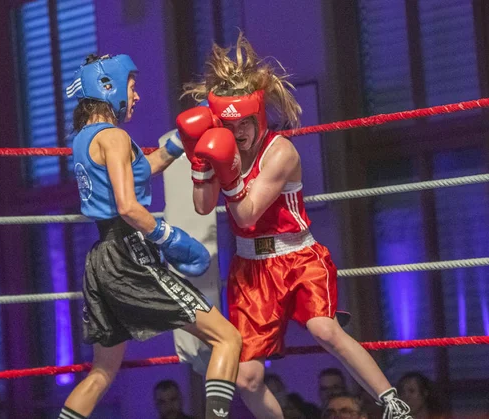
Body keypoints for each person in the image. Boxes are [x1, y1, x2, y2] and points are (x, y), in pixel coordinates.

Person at [175, 33, 412, 419]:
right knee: (247, 379)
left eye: (245, 125)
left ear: (258, 117)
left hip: (297, 258)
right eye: (230, 127)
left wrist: (229, 173)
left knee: (324, 329)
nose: (238, 135)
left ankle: (393, 404)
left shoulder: (281, 151)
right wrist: (201, 164)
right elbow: (204, 208)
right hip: (250, 272)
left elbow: (247, 214)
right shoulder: (220, 145)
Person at [58, 53, 242, 419]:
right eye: (131, 85)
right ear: (107, 87)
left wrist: (179, 142)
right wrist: (168, 236)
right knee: (228, 338)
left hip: (101, 259)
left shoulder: (85, 138)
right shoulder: (113, 136)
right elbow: (128, 206)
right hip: (129, 254)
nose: (136, 95)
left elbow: (142, 169)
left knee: (102, 372)